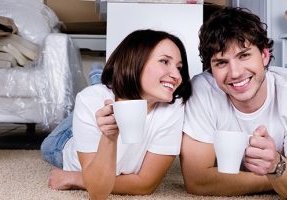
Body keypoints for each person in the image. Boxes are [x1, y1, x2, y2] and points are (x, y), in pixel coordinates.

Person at [180, 6, 287, 199]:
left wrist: (276, 164)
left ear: (264, 56)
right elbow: (197, 181)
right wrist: (277, 176)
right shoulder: (202, 90)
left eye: (244, 55)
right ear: (211, 67)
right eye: (221, 62)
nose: (235, 73)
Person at [41, 29, 192, 199]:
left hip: (111, 95)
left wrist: (76, 178)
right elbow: (98, 193)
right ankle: (101, 80)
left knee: (101, 91)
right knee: (50, 143)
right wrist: (109, 137)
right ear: (134, 61)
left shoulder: (174, 108)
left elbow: (145, 184)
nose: (176, 75)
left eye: (179, 67)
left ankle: (101, 78)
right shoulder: (90, 100)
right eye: (164, 61)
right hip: (62, 143)